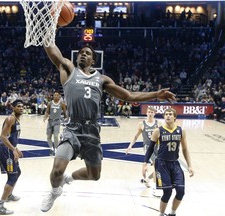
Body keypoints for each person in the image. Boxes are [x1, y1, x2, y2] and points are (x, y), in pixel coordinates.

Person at [41, 42, 176, 212]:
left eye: (87, 53)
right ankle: (54, 191)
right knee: (56, 171)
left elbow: (128, 95)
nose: (83, 54)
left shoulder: (101, 79)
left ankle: (69, 178)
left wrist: (156, 94)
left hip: (92, 132)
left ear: (93, 61)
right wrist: (47, 35)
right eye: (81, 52)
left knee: (94, 175)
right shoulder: (69, 70)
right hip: (72, 129)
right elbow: (55, 55)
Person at [142, 108, 194, 216]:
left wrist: (190, 166)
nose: (168, 116)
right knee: (168, 192)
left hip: (175, 163)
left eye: (170, 114)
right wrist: (145, 163)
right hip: (162, 164)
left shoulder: (181, 131)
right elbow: (150, 148)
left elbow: (185, 149)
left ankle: (172, 213)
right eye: (166, 114)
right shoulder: (158, 130)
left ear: (175, 117)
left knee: (180, 191)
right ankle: (161, 214)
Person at [0, 99, 24, 215]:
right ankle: (0, 206)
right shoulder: (10, 118)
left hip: (9, 149)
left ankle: (9, 195)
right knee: (12, 177)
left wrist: (16, 149)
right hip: (5, 150)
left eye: (22, 106)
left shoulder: (17, 119)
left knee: (17, 172)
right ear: (13, 107)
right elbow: (3, 137)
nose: (21, 108)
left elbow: (11, 137)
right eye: (18, 106)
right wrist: (13, 150)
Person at [125, 107, 161, 196]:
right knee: (156, 164)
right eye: (149, 112)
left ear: (154, 113)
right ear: (146, 113)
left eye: (152, 112)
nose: (150, 113)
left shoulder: (158, 123)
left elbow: (162, 136)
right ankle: (156, 187)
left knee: (160, 167)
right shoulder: (142, 124)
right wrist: (130, 146)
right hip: (148, 147)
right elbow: (136, 136)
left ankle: (147, 179)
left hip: (157, 146)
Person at [43, 91, 67, 155]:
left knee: (56, 136)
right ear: (53, 96)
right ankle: (51, 148)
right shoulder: (49, 103)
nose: (56, 96)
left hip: (57, 121)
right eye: (55, 95)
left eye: (57, 95)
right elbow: (47, 112)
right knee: (48, 136)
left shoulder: (62, 104)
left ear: (59, 96)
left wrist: (66, 118)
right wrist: (45, 117)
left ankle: (56, 148)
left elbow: (65, 112)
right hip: (50, 121)